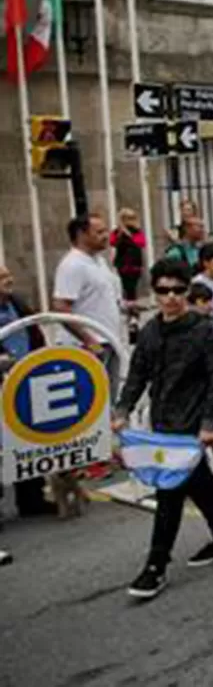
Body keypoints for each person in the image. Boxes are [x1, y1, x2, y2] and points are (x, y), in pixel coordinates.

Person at [113, 259, 213, 599]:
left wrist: (210, 422)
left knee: (169, 491)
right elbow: (139, 373)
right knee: (199, 482)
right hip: (163, 422)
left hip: (192, 424)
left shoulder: (204, 329)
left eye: (177, 290)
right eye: (162, 291)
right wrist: (123, 409)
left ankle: (155, 567)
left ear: (187, 290)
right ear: (154, 292)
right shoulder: (151, 331)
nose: (170, 297)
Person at [0, 265, 54, 517]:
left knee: (27, 439)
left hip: (24, 378)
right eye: (1, 277)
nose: (8, 280)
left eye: (8, 275)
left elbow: (35, 333)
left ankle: (32, 499)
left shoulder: (18, 303)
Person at [52, 214, 125, 356]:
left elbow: (101, 296)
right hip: (85, 346)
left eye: (106, 231)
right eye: (99, 232)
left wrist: (126, 306)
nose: (106, 236)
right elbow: (61, 307)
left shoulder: (99, 261)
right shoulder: (72, 265)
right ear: (81, 235)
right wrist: (89, 340)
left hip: (108, 340)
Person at [110, 208, 146, 301]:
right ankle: (128, 304)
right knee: (125, 286)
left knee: (132, 287)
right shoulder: (117, 232)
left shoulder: (137, 231)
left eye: (132, 217)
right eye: (127, 218)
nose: (130, 220)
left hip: (135, 263)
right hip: (123, 263)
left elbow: (141, 243)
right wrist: (121, 233)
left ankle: (132, 305)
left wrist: (128, 233)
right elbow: (112, 242)